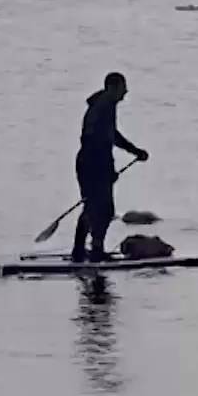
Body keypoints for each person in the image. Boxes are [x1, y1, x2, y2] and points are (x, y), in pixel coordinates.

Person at [70, 72, 148, 262]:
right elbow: (99, 139)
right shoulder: (104, 106)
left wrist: (134, 151)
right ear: (112, 88)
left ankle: (84, 250)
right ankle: (92, 250)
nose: (125, 93)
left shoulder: (104, 105)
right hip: (93, 163)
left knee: (95, 207)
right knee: (99, 208)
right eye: (123, 88)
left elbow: (111, 135)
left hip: (91, 162)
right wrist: (106, 170)